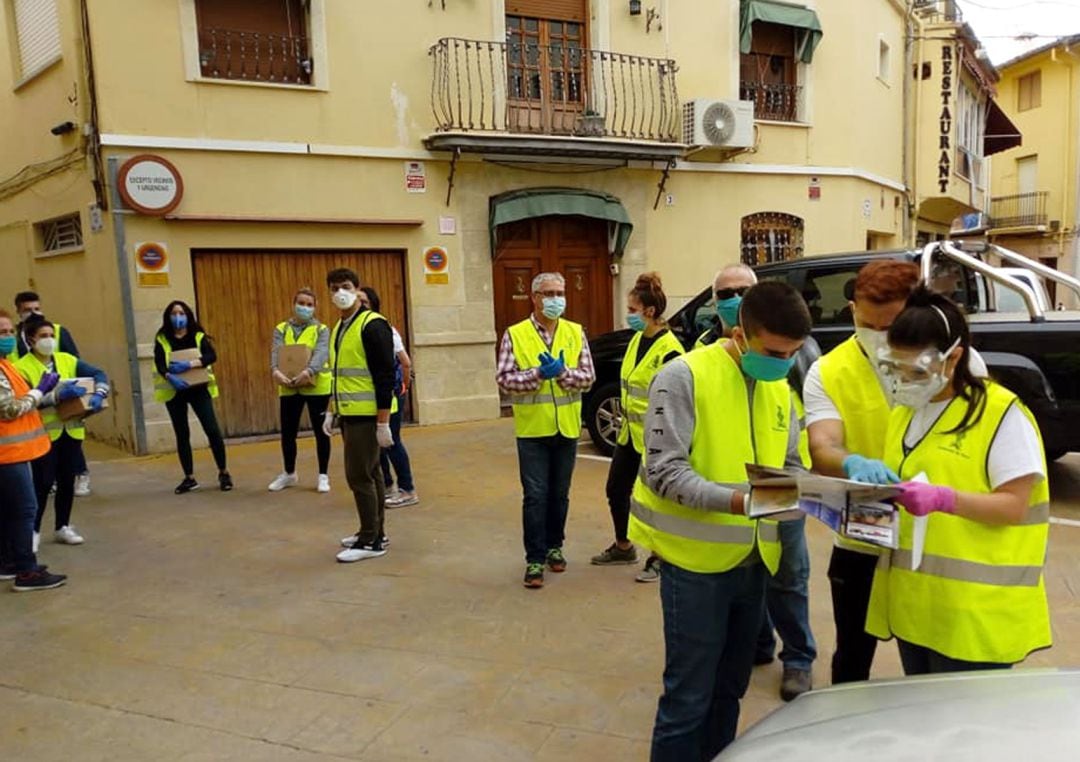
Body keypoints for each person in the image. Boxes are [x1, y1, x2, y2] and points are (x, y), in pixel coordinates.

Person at [628, 281, 811, 760]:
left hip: (755, 559)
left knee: (730, 690)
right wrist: (740, 502)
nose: (784, 363)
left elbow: (790, 461)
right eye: (775, 351)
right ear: (740, 333)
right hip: (695, 565)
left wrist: (815, 495)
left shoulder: (777, 386)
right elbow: (666, 472)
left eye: (793, 353)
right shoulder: (683, 376)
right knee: (688, 698)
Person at [866, 287, 1050, 673]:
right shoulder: (905, 412)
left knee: (964, 730)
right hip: (917, 607)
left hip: (975, 615)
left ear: (954, 358)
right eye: (896, 368)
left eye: (917, 370)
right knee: (924, 725)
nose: (905, 380)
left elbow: (1014, 506)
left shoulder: (999, 414)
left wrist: (944, 499)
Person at [695, 263, 819, 700]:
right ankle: (759, 643)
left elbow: (814, 413)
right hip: (731, 491)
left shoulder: (796, 347)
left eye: (743, 290)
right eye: (726, 292)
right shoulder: (702, 353)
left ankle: (799, 657)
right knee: (750, 571)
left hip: (782, 481)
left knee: (788, 573)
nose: (735, 298)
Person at [803, 260, 921, 685]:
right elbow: (823, 446)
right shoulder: (829, 370)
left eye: (887, 326)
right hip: (864, 524)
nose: (875, 335)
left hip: (932, 527)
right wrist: (852, 462)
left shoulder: (949, 361)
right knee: (852, 651)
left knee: (926, 657)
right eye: (864, 322)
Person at [496, 272, 595, 589]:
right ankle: (534, 559)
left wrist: (563, 373)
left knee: (560, 495)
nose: (556, 299)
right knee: (536, 496)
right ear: (535, 297)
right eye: (549, 293)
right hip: (532, 430)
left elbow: (588, 377)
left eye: (560, 292)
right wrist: (538, 374)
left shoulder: (575, 331)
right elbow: (505, 379)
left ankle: (556, 545)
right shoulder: (516, 334)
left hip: (566, 428)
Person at [590, 273, 683, 574]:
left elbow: (673, 401)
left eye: (632, 310)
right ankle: (623, 546)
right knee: (616, 489)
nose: (628, 315)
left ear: (650, 311)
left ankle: (660, 556)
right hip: (629, 435)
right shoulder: (635, 342)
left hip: (657, 438)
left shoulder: (670, 350)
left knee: (657, 498)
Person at [15, 317, 109, 550]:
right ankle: (33, 531)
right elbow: (25, 402)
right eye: (43, 336)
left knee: (67, 480)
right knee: (43, 483)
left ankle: (62, 526)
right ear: (31, 340)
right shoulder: (22, 367)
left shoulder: (66, 360)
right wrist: (56, 397)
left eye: (51, 336)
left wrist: (99, 392)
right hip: (43, 434)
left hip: (72, 431)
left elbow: (98, 373)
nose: (49, 340)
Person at [325, 269, 396, 563]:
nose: (339, 292)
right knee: (373, 473)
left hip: (367, 416)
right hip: (349, 412)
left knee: (359, 476)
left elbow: (385, 376)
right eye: (334, 288)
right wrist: (331, 410)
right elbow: (338, 374)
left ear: (356, 289)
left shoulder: (373, 325)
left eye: (345, 287)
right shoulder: (341, 326)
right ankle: (375, 532)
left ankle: (370, 541)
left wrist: (383, 422)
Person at [0, 309, 67, 591]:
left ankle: (8, 562)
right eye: (1, 333)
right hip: (7, 454)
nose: (7, 337)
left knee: (7, 509)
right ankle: (27, 572)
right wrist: (39, 391)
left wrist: (45, 393)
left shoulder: (5, 365)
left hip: (11, 453)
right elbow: (8, 410)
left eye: (8, 331)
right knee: (25, 509)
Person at [13, 291, 90, 497]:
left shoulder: (58, 331)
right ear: (18, 312)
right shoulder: (16, 337)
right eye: (27, 310)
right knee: (44, 472)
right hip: (32, 399)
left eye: (36, 308)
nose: (33, 313)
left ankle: (81, 473)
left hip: (63, 399)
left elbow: (73, 359)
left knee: (70, 442)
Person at [153, 300, 232, 494]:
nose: (178, 317)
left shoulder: (198, 336)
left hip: (198, 389)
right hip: (175, 391)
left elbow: (211, 356)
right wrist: (170, 376)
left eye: (181, 313)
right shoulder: (162, 338)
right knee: (182, 434)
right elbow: (160, 363)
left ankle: (223, 472)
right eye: (174, 313)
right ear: (168, 317)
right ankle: (189, 477)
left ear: (188, 315)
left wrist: (189, 365)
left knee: (212, 430)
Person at [268, 288, 333, 494]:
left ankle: (323, 475)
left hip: (316, 386)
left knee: (321, 432)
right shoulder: (281, 328)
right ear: (293, 304)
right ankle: (289, 473)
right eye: (301, 303)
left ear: (315, 308)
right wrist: (275, 371)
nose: (304, 307)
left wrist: (309, 371)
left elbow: (322, 352)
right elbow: (276, 351)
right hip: (289, 386)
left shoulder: (321, 329)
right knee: (288, 433)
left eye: (309, 304)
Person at [359, 286, 418, 509]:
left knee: (391, 441)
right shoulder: (355, 329)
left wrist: (402, 388)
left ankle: (407, 489)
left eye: (364, 301)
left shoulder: (383, 329)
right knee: (378, 444)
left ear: (373, 305)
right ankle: (386, 485)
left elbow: (405, 361)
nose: (359, 305)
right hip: (371, 396)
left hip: (390, 395)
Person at [695, 263, 757, 349]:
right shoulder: (704, 342)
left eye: (744, 292)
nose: (736, 298)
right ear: (714, 299)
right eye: (726, 294)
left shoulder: (774, 338)